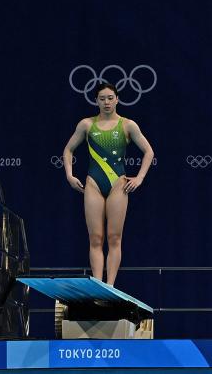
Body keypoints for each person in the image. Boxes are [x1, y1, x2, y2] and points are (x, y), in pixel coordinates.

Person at [62, 82, 154, 285]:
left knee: (114, 238)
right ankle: (97, 286)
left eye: (110, 98)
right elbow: (68, 150)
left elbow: (149, 152)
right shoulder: (86, 124)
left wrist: (139, 178)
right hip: (93, 184)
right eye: (102, 98)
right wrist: (69, 175)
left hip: (118, 185)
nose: (106, 102)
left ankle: (110, 286)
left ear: (117, 99)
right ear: (96, 101)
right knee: (95, 238)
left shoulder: (128, 125)